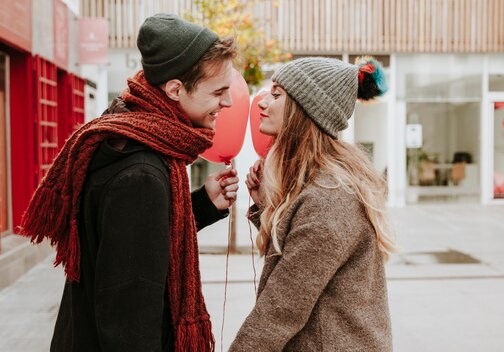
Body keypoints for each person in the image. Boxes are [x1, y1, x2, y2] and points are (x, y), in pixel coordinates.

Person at [19, 14, 238, 352]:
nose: (228, 102)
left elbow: (138, 241)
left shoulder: (129, 134)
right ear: (176, 89)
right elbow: (128, 314)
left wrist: (203, 204)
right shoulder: (141, 173)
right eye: (218, 92)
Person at [230, 57, 396, 351]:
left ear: (304, 110)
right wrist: (264, 209)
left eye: (277, 94)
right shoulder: (319, 182)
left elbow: (281, 308)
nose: (263, 103)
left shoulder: (330, 198)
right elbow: (301, 257)